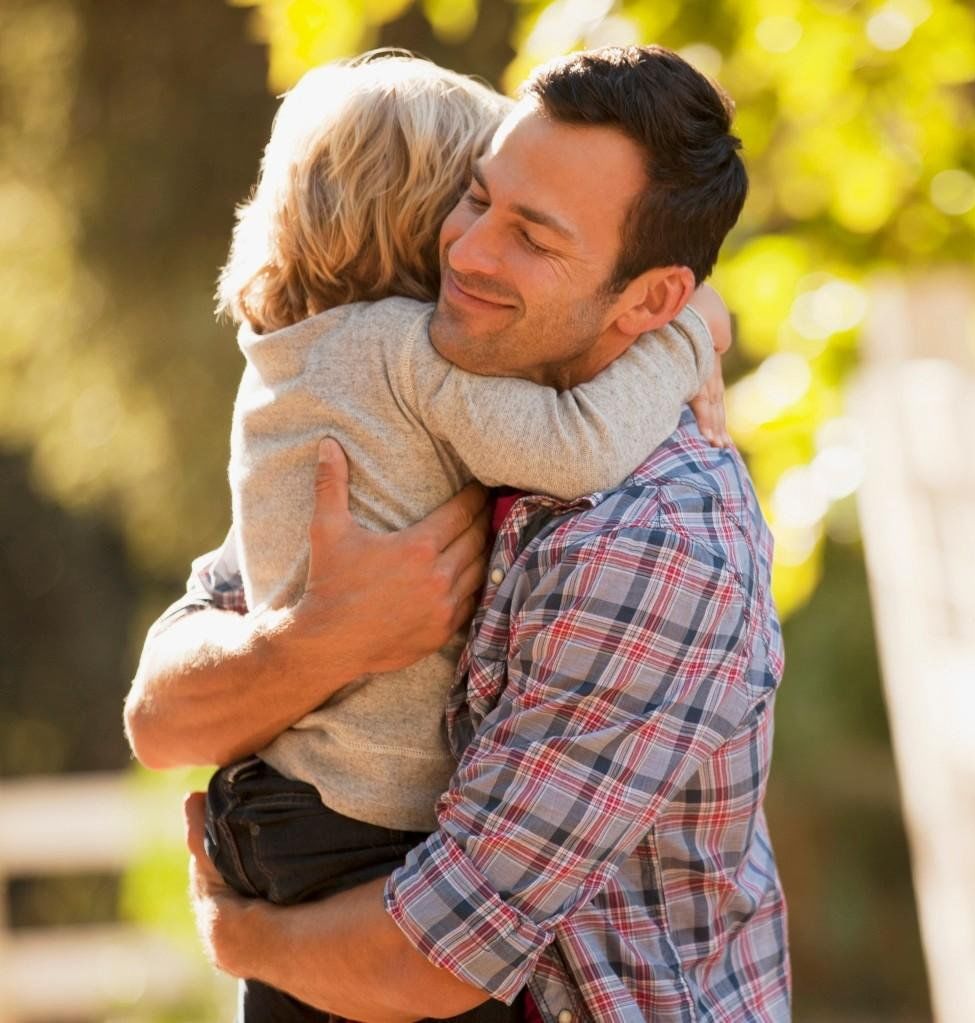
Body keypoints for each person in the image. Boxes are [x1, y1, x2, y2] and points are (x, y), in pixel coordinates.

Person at [125, 44, 791, 1022]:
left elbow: (434, 959)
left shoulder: (652, 536)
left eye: (534, 235)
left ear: (652, 300)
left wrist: (241, 937)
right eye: (476, 200)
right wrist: (320, 638)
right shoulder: (418, 411)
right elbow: (161, 719)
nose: (470, 252)